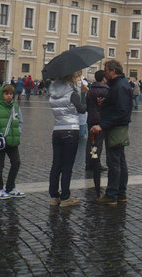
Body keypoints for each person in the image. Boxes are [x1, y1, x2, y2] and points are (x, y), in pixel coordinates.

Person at [91, 59, 133, 205]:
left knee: (114, 162)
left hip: (115, 128)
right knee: (120, 161)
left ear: (113, 71)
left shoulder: (119, 86)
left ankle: (112, 194)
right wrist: (106, 103)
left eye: (106, 70)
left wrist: (103, 126)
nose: (105, 73)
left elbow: (121, 111)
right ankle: (121, 193)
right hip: (118, 126)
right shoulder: (119, 85)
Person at [48, 70, 86, 207]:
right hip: (71, 130)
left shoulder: (52, 95)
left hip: (57, 130)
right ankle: (65, 197)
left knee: (56, 164)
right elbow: (82, 109)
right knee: (67, 166)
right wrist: (84, 94)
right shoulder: (72, 94)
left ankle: (53, 197)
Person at [0, 84, 25, 199]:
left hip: (13, 141)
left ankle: (10, 187)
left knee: (16, 163)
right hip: (1, 142)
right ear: (1, 95)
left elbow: (20, 122)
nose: (9, 96)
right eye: (6, 94)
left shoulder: (16, 108)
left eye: (11, 94)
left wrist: (18, 132)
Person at [85, 70, 108, 196]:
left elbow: (86, 106)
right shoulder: (106, 90)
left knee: (90, 141)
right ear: (104, 78)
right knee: (99, 142)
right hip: (101, 119)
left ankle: (88, 162)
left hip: (91, 118)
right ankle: (96, 163)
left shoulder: (90, 90)